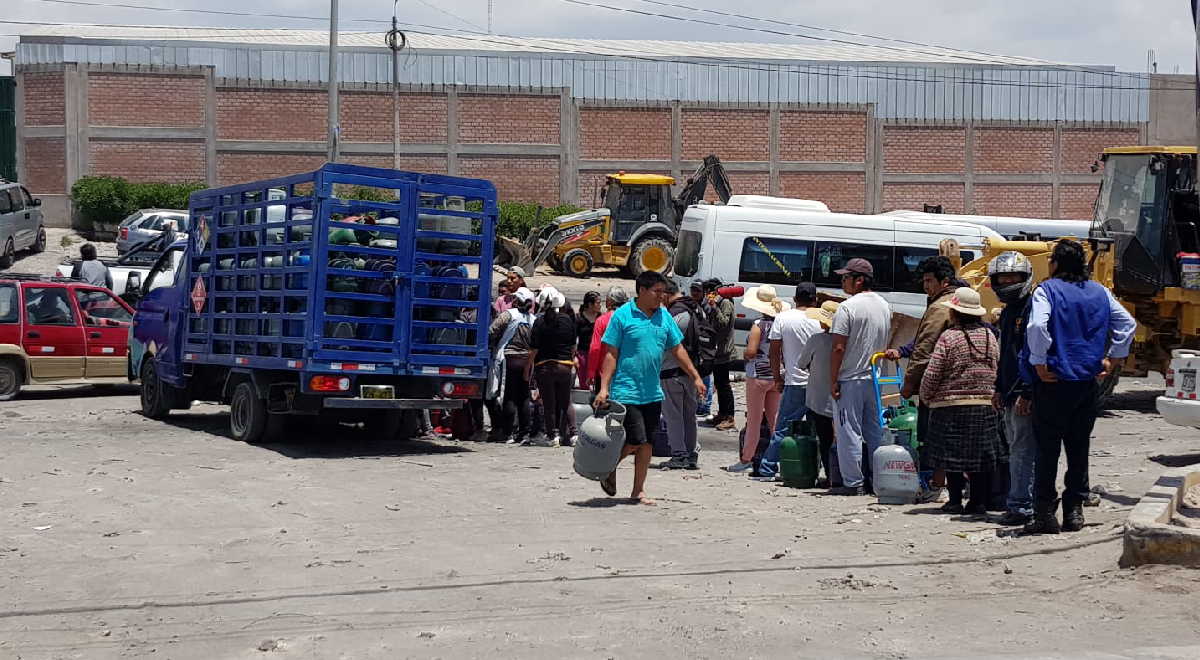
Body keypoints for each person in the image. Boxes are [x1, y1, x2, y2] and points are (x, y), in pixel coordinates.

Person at [1022, 239, 1137, 534]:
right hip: (1087, 383)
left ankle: (1045, 514)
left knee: (1047, 450)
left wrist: (1038, 361)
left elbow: (1036, 327)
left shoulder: (1046, 291)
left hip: (1054, 381)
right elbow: (1127, 324)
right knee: (1078, 447)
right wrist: (1114, 358)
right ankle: (1074, 511)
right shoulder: (1101, 292)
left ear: (1056, 264)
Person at [594, 271, 707, 506]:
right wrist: (604, 387)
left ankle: (638, 490)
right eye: (657, 291)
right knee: (636, 438)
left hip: (653, 391)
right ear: (642, 291)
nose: (661, 296)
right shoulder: (622, 316)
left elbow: (677, 350)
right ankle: (607, 466)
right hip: (626, 390)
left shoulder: (664, 317)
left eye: (663, 291)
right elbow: (610, 355)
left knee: (647, 443)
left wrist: (695, 376)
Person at [919, 288, 1003, 515]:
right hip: (984, 404)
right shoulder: (990, 337)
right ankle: (978, 502)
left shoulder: (949, 337)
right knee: (980, 459)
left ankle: (955, 500)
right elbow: (997, 367)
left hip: (950, 405)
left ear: (955, 313)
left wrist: (926, 397)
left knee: (951, 457)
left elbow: (933, 372)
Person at [894, 256, 959, 502]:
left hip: (938, 384)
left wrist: (909, 382)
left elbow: (924, 348)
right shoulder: (960, 300)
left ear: (944, 281)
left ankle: (937, 486)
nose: (926, 286)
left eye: (930, 281)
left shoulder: (939, 307)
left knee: (935, 437)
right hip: (959, 383)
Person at [829, 258, 892, 495]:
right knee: (875, 433)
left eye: (845, 277)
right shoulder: (884, 305)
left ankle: (853, 483)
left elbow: (838, 348)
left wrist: (832, 379)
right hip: (874, 378)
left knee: (849, 432)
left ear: (859, 280)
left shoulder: (848, 308)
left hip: (850, 378)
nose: (842, 281)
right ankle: (880, 481)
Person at [988, 251, 1038, 526]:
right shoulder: (1008, 314)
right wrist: (998, 387)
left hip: (1023, 392)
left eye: (1012, 277)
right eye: (1002, 277)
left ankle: (1021, 505)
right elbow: (1005, 355)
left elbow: (1031, 354)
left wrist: (1025, 392)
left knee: (1023, 449)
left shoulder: (1032, 309)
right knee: (1017, 447)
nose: (1006, 282)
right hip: (1008, 391)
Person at [756, 282, 821, 478]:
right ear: (815, 300)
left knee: (783, 428)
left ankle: (767, 468)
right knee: (818, 430)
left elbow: (774, 353)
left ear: (794, 299)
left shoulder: (783, 319)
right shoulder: (820, 320)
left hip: (795, 382)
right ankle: (814, 468)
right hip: (818, 383)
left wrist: (777, 378)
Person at [725, 285, 791, 473]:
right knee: (775, 420)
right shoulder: (782, 324)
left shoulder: (758, 325)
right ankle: (776, 458)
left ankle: (747, 458)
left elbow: (752, 351)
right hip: (777, 375)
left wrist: (746, 355)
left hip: (758, 376)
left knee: (754, 419)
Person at [525, 287, 576, 448]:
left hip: (544, 367)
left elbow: (534, 350)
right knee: (566, 401)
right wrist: (570, 359)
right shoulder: (567, 320)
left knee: (549, 403)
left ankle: (553, 436)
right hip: (565, 366)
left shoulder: (539, 322)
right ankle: (574, 434)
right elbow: (573, 346)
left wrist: (527, 369)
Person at [659, 281, 702, 470]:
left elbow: (667, 343)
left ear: (666, 295)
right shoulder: (694, 309)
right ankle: (691, 454)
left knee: (673, 415)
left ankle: (679, 455)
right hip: (690, 373)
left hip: (671, 373)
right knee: (689, 415)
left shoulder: (674, 315)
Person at [799, 301, 843, 487]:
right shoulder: (844, 341)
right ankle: (843, 474)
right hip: (841, 394)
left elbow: (802, 363)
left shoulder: (816, 340)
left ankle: (830, 475)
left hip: (818, 396)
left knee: (823, 438)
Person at [487, 287, 536, 444]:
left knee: (509, 396)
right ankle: (524, 433)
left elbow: (492, 330)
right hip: (527, 360)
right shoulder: (533, 320)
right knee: (523, 397)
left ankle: (507, 432)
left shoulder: (508, 315)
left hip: (509, 359)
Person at [704, 279, 737, 430]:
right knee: (718, 382)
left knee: (724, 385)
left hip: (724, 351)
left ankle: (729, 416)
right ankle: (722, 413)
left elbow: (723, 323)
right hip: (716, 350)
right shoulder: (719, 302)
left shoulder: (725, 303)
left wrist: (714, 307)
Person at [586, 286, 631, 387]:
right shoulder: (632, 319)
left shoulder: (602, 320)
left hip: (604, 374)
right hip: (627, 374)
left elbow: (595, 348)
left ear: (610, 301)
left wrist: (591, 373)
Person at [691, 281, 715, 417]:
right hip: (697, 346)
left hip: (706, 347)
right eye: (693, 289)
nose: (694, 293)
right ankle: (699, 405)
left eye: (698, 290)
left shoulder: (708, 307)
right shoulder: (692, 305)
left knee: (705, 377)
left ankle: (705, 407)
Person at [575, 291, 602, 390]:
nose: (600, 305)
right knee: (584, 381)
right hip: (583, 354)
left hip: (597, 354)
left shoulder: (600, 318)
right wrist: (574, 356)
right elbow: (573, 339)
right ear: (590, 304)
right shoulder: (578, 318)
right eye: (598, 303)